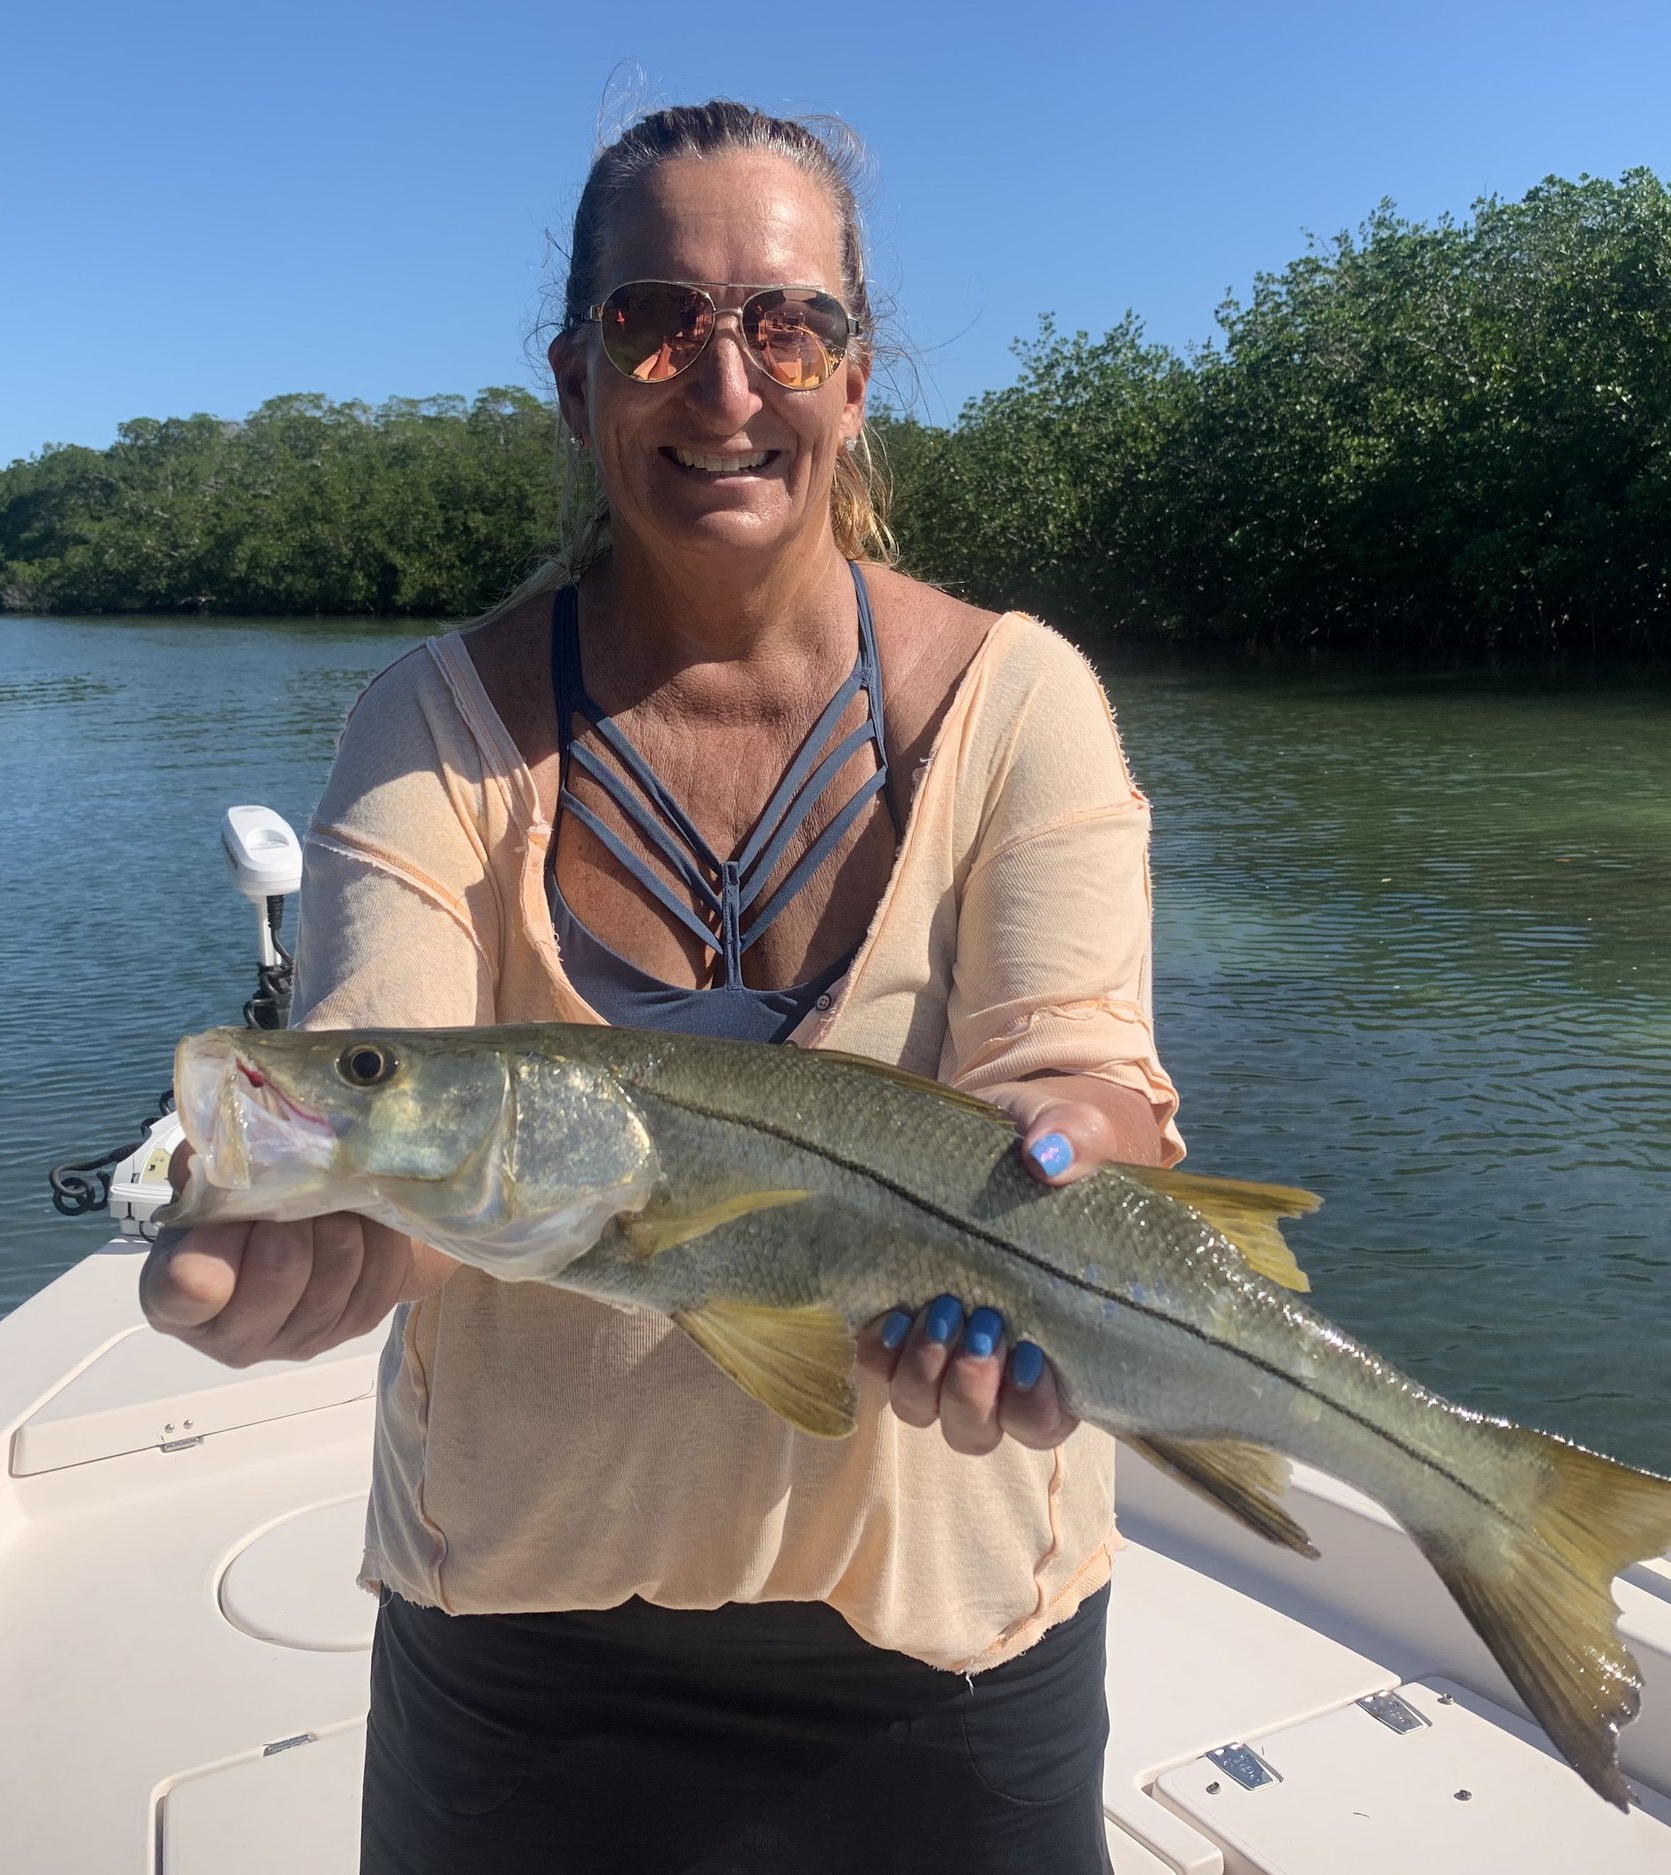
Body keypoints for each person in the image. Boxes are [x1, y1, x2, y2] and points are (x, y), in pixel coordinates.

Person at [140, 100, 1184, 1875]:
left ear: (856, 379)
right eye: (656, 322)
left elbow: (1088, 1075)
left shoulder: (1027, 704)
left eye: (789, 325)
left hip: (958, 1646)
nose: (726, 384)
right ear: (574, 378)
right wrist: (322, 1228)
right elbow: (396, 1089)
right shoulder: (430, 729)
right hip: (517, 1646)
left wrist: (1075, 1144)